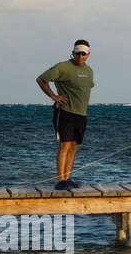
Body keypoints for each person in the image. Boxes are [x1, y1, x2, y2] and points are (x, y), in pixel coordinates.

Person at [36, 40, 96, 191]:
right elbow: (41, 79)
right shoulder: (63, 67)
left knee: (74, 145)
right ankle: (60, 180)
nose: (80, 56)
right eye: (77, 53)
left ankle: (67, 178)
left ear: (88, 54)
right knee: (65, 145)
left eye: (83, 53)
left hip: (81, 113)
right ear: (73, 53)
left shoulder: (89, 70)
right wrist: (54, 96)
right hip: (65, 111)